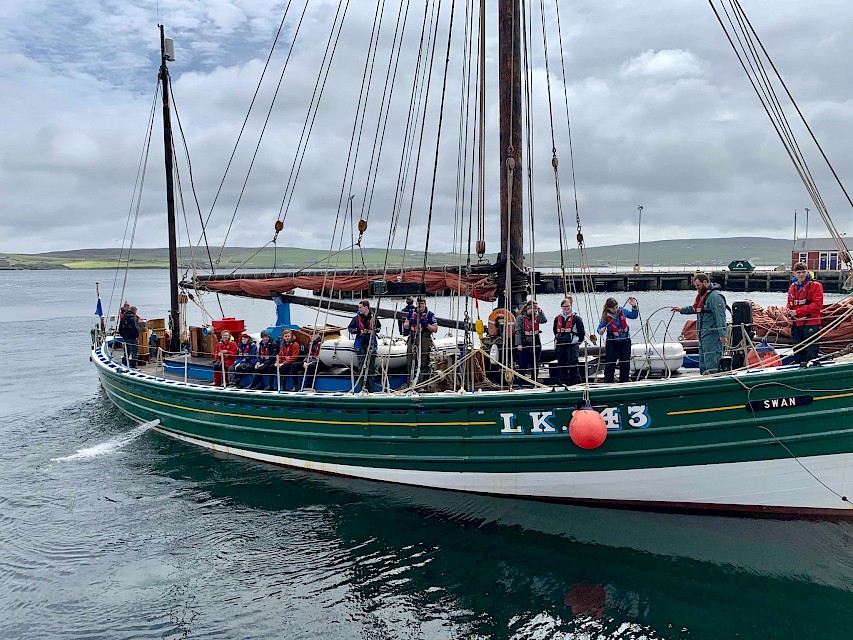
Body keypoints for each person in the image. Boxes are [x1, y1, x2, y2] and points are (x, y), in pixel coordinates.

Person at [671, 273, 727, 374]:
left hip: (712, 334)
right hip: (702, 333)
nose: (697, 288)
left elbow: (720, 317)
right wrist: (681, 310)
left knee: (711, 359)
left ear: (705, 282)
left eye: (698, 285)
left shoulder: (715, 297)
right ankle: (704, 377)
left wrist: (722, 334)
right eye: (696, 286)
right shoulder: (703, 296)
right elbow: (695, 308)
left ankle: (713, 379)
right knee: (703, 360)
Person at [786, 262, 824, 365]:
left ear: (807, 272)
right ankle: (799, 368)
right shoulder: (792, 287)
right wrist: (788, 311)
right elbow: (790, 303)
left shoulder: (816, 286)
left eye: (803, 272)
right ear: (794, 273)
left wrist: (797, 312)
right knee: (798, 349)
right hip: (796, 323)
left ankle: (812, 369)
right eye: (799, 272)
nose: (801, 275)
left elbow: (817, 305)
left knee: (811, 350)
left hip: (810, 323)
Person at [597, 296, 639, 383]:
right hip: (612, 342)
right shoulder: (605, 316)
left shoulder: (623, 311)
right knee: (610, 363)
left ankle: (624, 381)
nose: (615, 309)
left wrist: (634, 306)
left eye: (616, 307)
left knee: (625, 363)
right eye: (613, 308)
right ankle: (608, 381)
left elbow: (634, 316)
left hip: (625, 340)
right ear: (608, 308)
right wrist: (601, 330)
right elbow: (599, 329)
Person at [403, 296, 438, 385]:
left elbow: (435, 329)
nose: (420, 305)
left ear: (425, 304)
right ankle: (409, 383)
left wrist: (426, 325)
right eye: (418, 303)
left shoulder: (430, 315)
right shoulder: (411, 313)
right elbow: (405, 325)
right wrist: (410, 322)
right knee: (410, 361)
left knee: (423, 362)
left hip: (424, 339)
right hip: (413, 338)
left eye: (422, 303)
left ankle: (422, 383)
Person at [348, 300, 381, 392]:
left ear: (366, 307)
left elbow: (379, 327)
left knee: (371, 368)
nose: (359, 309)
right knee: (362, 367)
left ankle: (370, 389)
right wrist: (358, 331)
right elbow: (350, 328)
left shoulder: (374, 318)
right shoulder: (356, 319)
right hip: (361, 344)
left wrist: (374, 330)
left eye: (360, 307)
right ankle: (362, 388)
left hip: (371, 343)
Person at [553, 297, 586, 385]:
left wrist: (577, 342)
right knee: (561, 363)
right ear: (561, 307)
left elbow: (581, 332)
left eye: (568, 306)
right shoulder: (557, 318)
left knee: (573, 362)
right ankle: (562, 382)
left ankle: (575, 381)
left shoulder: (576, 318)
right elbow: (555, 331)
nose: (566, 308)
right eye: (564, 306)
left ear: (571, 306)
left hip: (572, 344)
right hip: (560, 344)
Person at [515, 300, 547, 383]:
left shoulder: (537, 316)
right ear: (527, 309)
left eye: (535, 309)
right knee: (523, 363)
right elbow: (517, 331)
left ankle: (534, 381)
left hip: (535, 341)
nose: (533, 311)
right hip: (525, 341)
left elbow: (544, 321)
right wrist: (519, 344)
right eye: (532, 309)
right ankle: (520, 381)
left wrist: (540, 311)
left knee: (535, 362)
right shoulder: (520, 318)